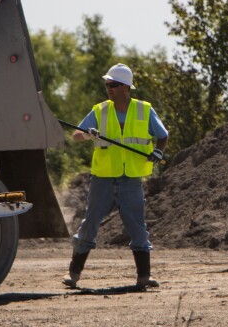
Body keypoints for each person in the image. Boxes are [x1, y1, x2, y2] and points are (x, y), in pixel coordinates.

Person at [63, 63, 168, 289]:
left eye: (114, 84)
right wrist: (89, 135)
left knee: (137, 227)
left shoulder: (144, 110)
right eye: (107, 84)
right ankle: (73, 273)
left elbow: (162, 135)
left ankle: (144, 277)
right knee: (90, 224)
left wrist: (158, 152)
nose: (109, 88)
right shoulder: (100, 110)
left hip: (131, 178)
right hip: (103, 178)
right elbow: (76, 135)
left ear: (126, 87)